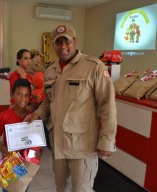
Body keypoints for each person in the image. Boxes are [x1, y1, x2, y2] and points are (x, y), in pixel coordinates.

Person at [24, 24, 117, 192]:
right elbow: (48, 102)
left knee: (81, 189)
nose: (63, 47)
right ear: (54, 46)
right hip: (58, 143)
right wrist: (36, 114)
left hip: (82, 147)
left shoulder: (93, 67)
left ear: (75, 41)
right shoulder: (50, 70)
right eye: (58, 43)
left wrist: (107, 141)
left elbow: (107, 106)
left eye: (66, 41)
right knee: (61, 188)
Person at [0, 78, 42, 192]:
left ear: (29, 97)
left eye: (26, 95)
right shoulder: (4, 116)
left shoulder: (32, 117)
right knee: (8, 189)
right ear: (12, 95)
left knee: (22, 188)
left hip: (27, 163)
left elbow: (36, 142)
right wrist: (0, 146)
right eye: (19, 94)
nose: (23, 98)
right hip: (9, 161)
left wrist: (37, 152)